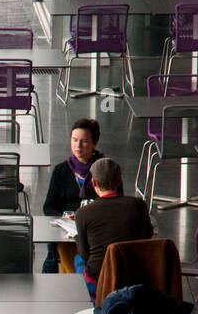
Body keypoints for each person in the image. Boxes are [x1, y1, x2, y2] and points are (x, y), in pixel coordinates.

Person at [72, 158, 153, 297]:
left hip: (99, 281)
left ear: (94, 182)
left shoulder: (82, 213)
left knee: (78, 260)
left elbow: (86, 255)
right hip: (133, 278)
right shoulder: (138, 205)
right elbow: (147, 235)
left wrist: (77, 238)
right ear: (119, 180)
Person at [40, 117, 113, 273]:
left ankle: (77, 281)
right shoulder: (61, 170)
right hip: (68, 229)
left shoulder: (105, 169)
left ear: (95, 143)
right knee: (62, 245)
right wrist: (62, 218)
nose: (78, 146)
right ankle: (76, 280)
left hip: (94, 229)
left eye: (84, 141)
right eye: (74, 140)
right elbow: (49, 206)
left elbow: (114, 203)